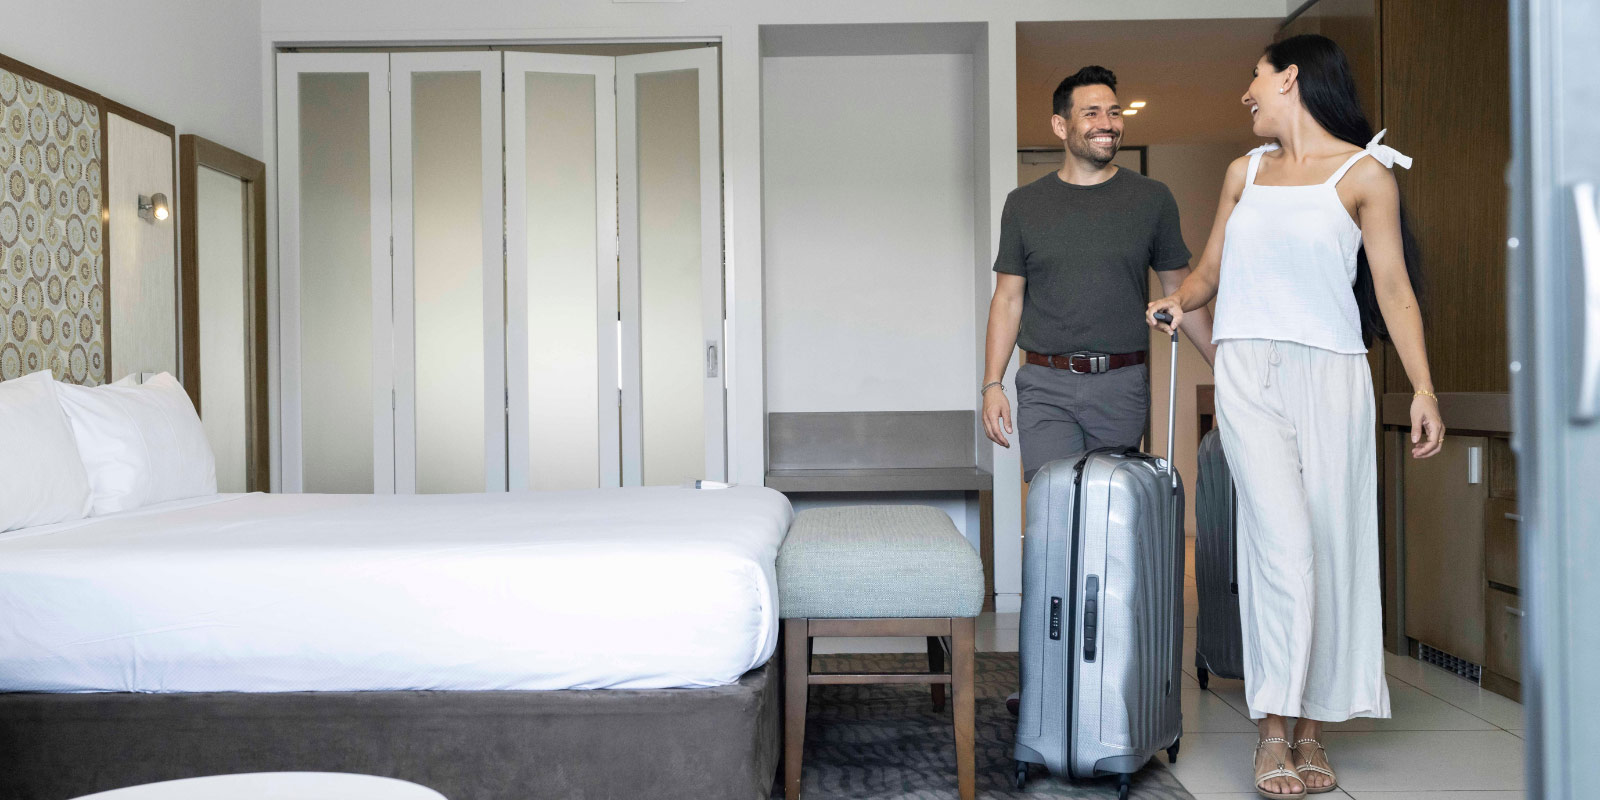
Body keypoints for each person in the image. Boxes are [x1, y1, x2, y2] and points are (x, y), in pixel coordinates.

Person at [1145, 34, 1444, 799]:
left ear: (1291, 77)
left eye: (1254, 77)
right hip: (1248, 373)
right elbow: (1211, 269)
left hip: (1333, 374)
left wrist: (1422, 389)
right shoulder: (1241, 172)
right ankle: (1272, 728)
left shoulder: (1364, 174)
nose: (1245, 93)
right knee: (1280, 541)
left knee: (1334, 543)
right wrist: (1181, 300)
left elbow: (1392, 288)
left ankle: (1313, 728)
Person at [982, 65, 1215, 483]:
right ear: (1060, 124)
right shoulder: (1023, 205)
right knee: (1055, 507)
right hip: (1044, 385)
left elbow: (1181, 290)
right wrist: (992, 384)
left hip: (1121, 386)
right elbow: (1008, 299)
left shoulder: (1152, 199)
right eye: (1091, 113)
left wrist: (1225, 368)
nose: (1106, 124)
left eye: (1114, 112)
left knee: (1111, 513)